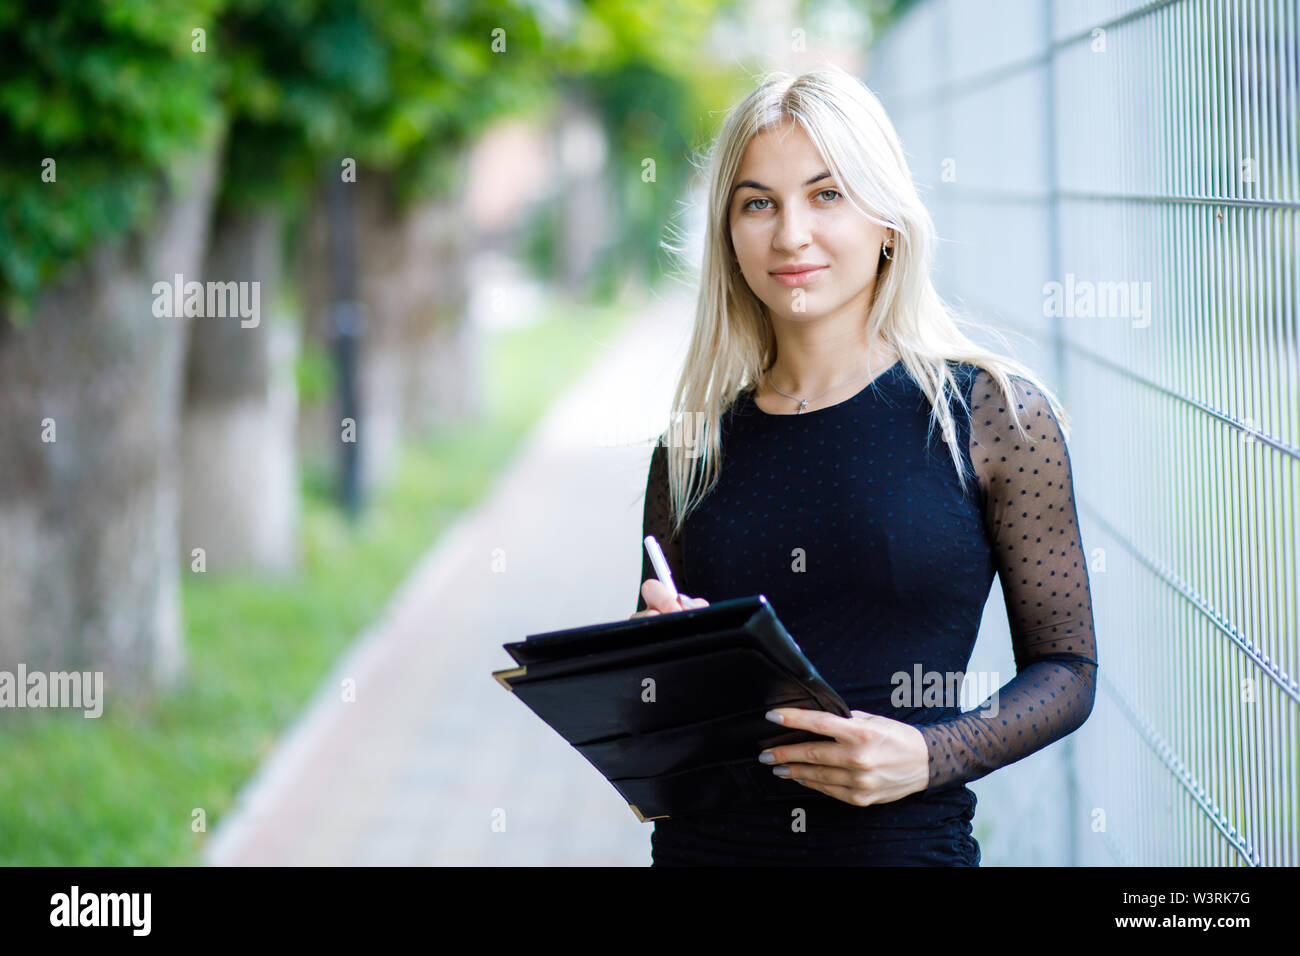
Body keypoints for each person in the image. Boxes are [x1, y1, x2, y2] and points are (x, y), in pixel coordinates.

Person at [629, 66, 1098, 866]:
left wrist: (934, 754)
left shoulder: (991, 415)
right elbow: (649, 715)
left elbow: (1067, 669)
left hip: (901, 852)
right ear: (729, 235)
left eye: (827, 194)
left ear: (887, 222)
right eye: (758, 203)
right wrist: (658, 659)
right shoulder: (692, 444)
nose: (790, 235)